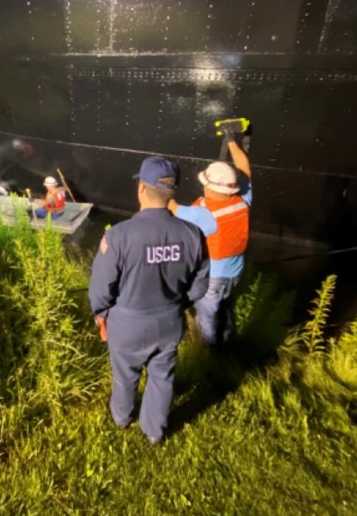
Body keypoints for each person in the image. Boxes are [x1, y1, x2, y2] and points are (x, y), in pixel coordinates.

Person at [88, 156, 210, 446]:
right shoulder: (193, 235)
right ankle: (155, 431)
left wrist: (100, 314)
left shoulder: (118, 236)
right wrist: (180, 304)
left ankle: (121, 417)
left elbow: (101, 288)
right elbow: (201, 284)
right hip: (169, 320)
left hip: (127, 322)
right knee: (162, 376)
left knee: (125, 374)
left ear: (141, 189)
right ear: (172, 193)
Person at [169, 134, 252, 347]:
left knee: (207, 318)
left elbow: (171, 207)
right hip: (235, 274)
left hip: (213, 279)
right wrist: (232, 140)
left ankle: (208, 354)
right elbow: (244, 168)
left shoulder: (203, 215)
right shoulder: (243, 200)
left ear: (211, 189)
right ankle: (229, 345)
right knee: (226, 311)